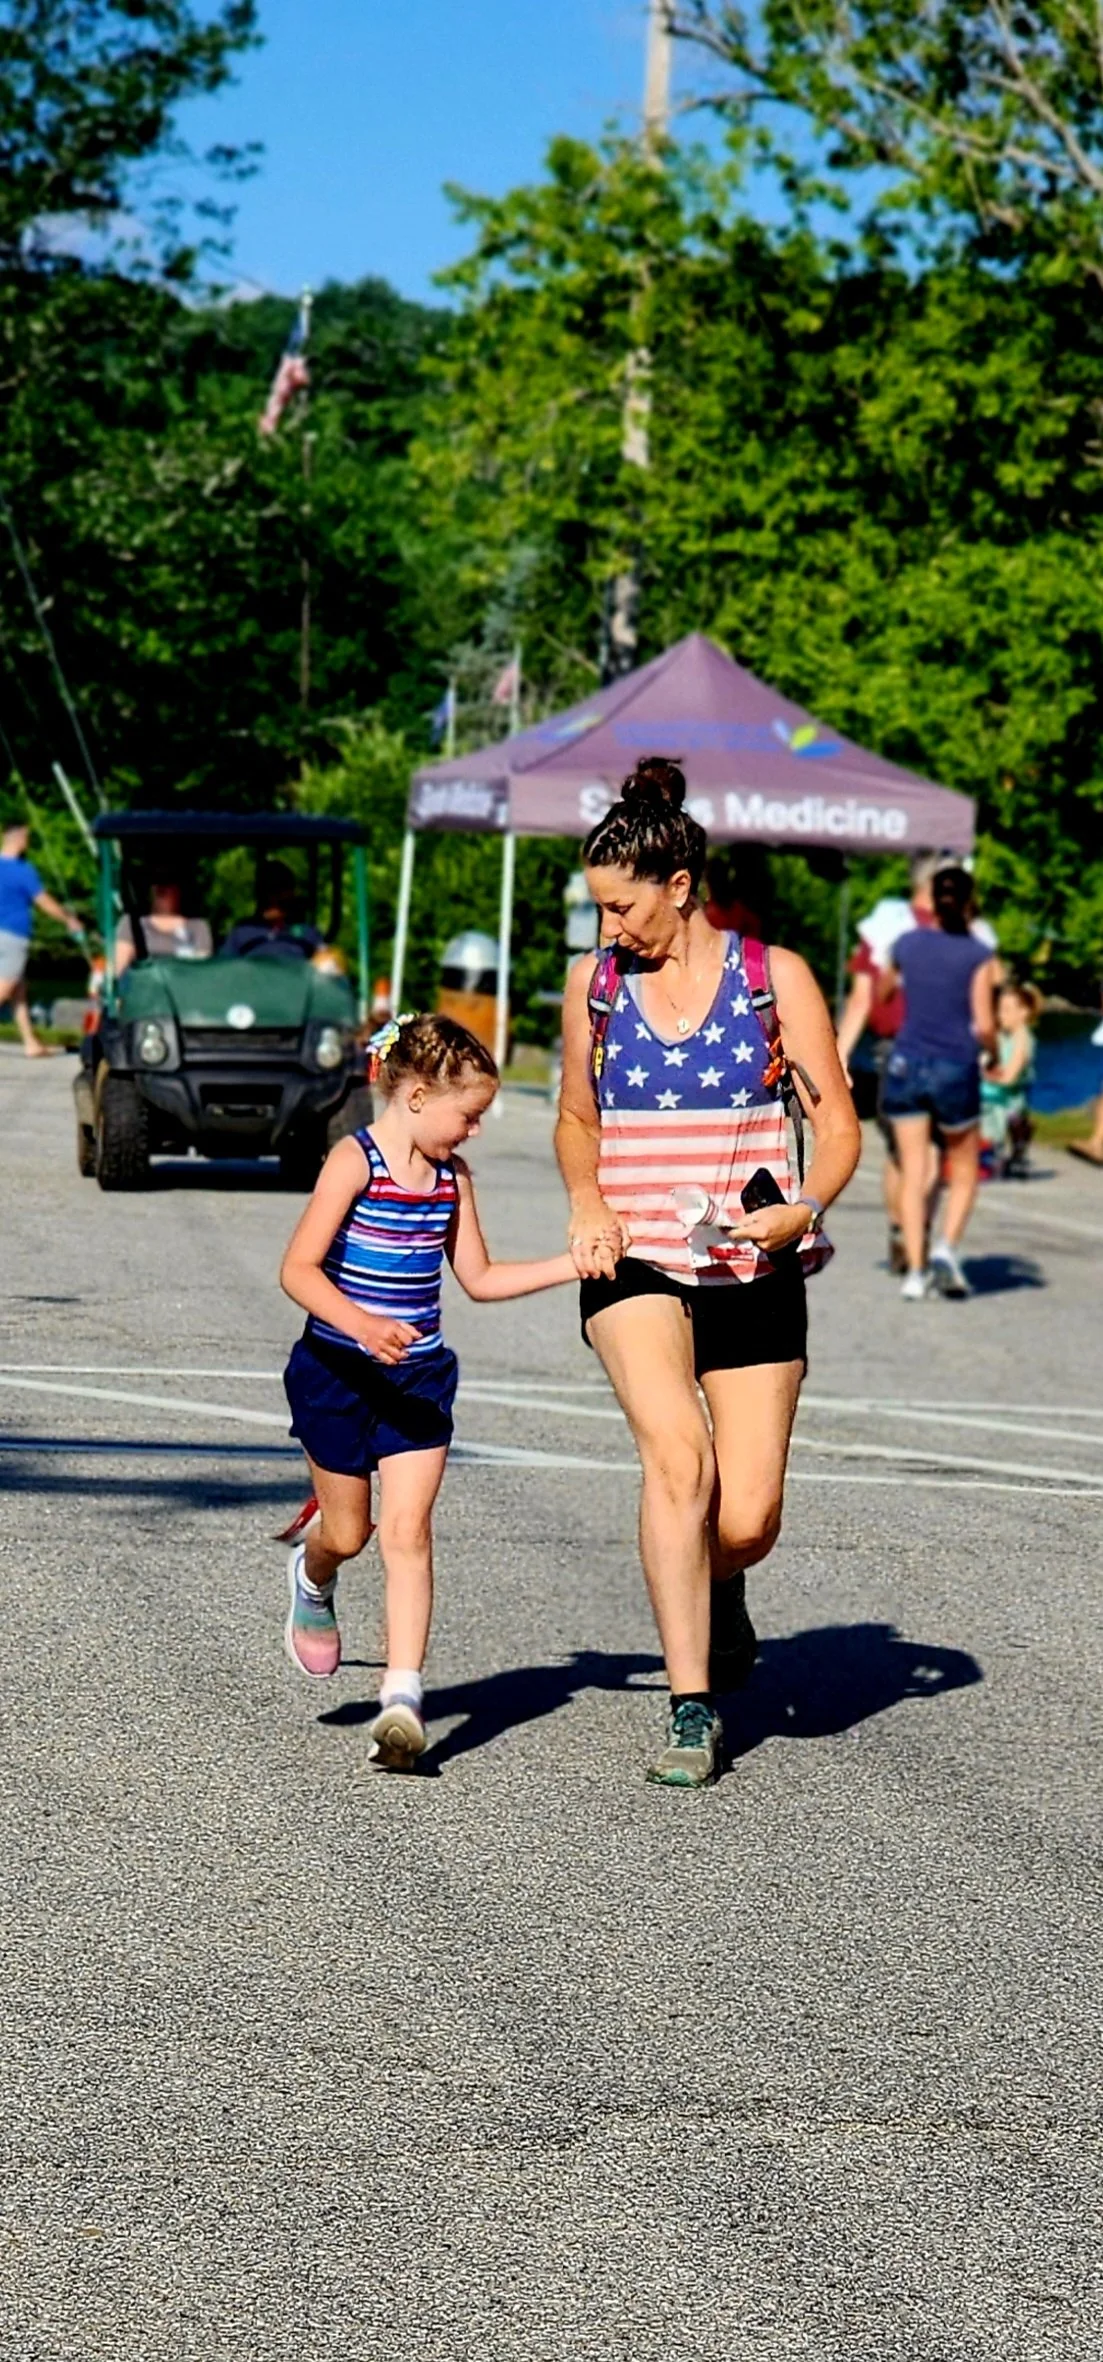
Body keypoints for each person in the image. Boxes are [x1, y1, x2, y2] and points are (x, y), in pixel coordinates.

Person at [555, 756, 860, 1791]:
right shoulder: (594, 988)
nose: (607, 930)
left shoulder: (775, 979)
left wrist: (803, 1207)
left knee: (742, 1519)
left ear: (676, 885)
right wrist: (588, 1202)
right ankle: (691, 1708)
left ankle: (715, 1584)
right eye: (597, 909)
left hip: (751, 1263)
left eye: (619, 907)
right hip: (635, 1259)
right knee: (677, 1465)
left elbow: (836, 1129)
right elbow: (572, 1118)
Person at [278, 1012, 576, 1770]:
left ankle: (401, 1699)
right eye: (468, 1115)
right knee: (351, 1535)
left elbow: (477, 1278)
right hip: (337, 1374)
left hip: (416, 1381)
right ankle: (312, 1577)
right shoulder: (355, 1162)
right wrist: (361, 1323)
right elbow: (299, 1270)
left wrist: (572, 1265)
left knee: (409, 1532)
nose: (474, 1132)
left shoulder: (451, 1179)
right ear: (414, 1097)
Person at [879, 863, 998, 1300]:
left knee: (914, 1171)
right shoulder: (978, 956)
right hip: (955, 1065)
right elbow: (984, 1024)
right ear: (969, 904)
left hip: (907, 1062)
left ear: (931, 901)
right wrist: (996, 1052)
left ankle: (915, 1271)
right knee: (963, 1165)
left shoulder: (907, 943)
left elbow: (885, 993)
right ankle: (947, 1248)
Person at [836, 854, 939, 1271]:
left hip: (893, 1049)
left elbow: (861, 997)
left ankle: (903, 1230)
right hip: (927, 1050)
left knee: (904, 1154)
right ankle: (915, 1231)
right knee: (928, 1154)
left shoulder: (884, 925)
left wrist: (840, 1052)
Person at [0, 820, 83, 1057]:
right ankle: (31, 1044)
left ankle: (31, 1044)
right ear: (18, 838)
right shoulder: (23, 870)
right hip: (13, 937)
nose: (27, 842)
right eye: (26, 836)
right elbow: (43, 901)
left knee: (19, 993)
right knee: (4, 990)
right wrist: (68, 919)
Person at [981, 980, 1040, 1174]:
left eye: (1006, 1010)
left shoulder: (1022, 1040)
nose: (1000, 1015)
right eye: (999, 1009)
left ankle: (1004, 1153)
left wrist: (981, 1075)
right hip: (987, 1096)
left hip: (1001, 1102)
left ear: (1023, 1012)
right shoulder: (1002, 1037)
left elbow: (1009, 1078)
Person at [221, 861, 323, 961]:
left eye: (282, 890)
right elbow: (224, 968)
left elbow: (327, 968)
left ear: (292, 894)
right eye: (271, 890)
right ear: (260, 894)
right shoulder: (241, 932)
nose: (275, 898)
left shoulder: (308, 934)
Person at [115, 879, 213, 974]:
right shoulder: (131, 924)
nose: (162, 888)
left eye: (168, 883)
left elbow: (201, 973)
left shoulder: (198, 927)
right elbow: (117, 970)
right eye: (157, 883)